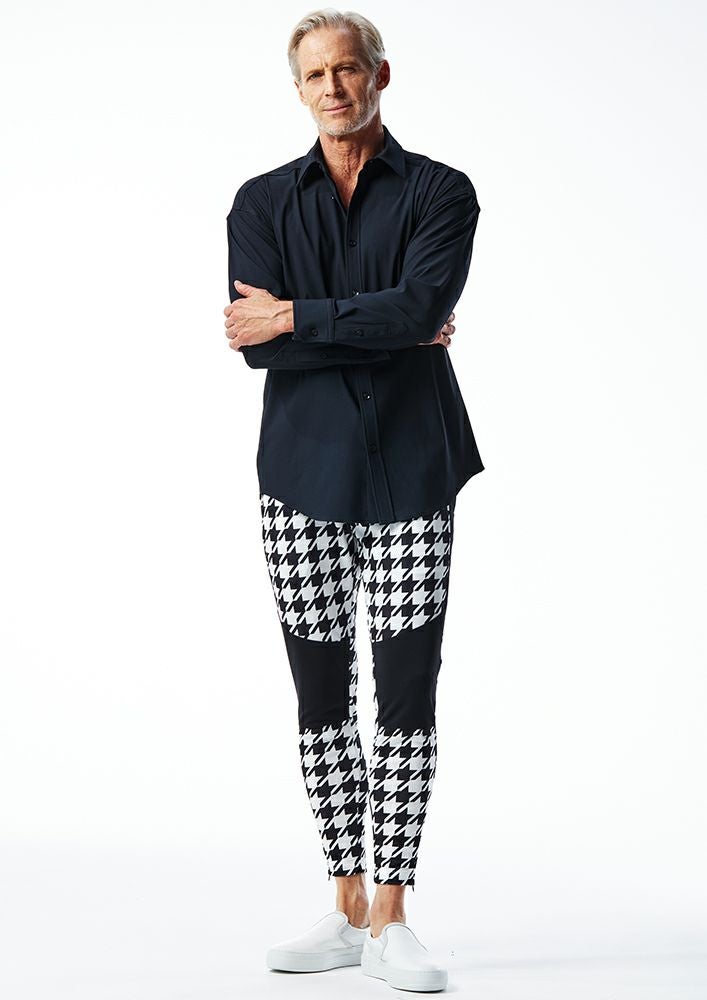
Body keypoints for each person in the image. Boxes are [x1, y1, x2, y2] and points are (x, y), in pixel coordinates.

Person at [223, 8, 484, 992]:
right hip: (300, 476)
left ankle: (391, 915)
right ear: (297, 89)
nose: (332, 87)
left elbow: (421, 305)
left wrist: (300, 315)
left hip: (412, 469)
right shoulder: (260, 202)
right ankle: (343, 906)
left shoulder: (439, 192)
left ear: (380, 74)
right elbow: (254, 346)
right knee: (321, 698)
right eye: (314, 75)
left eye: (347, 68)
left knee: (406, 696)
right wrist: (383, 326)